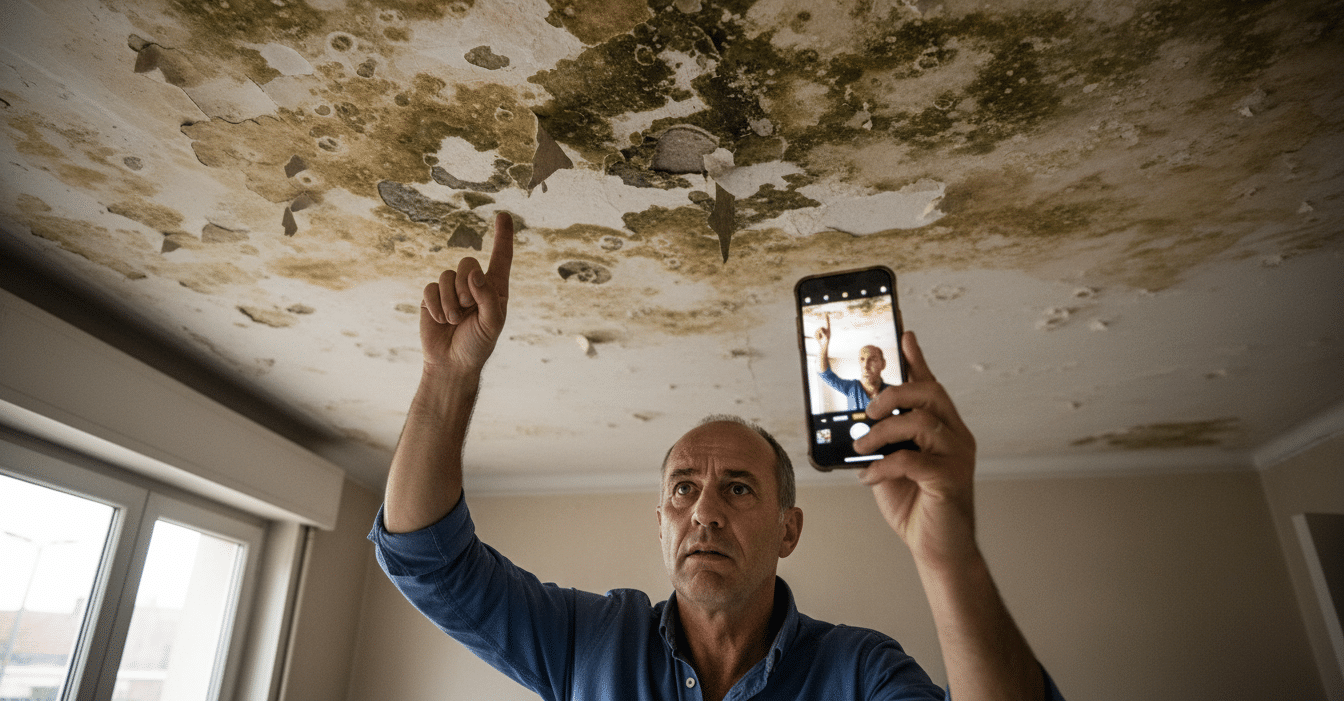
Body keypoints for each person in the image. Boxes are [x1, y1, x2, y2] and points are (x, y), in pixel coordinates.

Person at [370, 212, 1065, 701]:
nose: (702, 509)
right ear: (662, 523)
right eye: (682, 490)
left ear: (787, 529)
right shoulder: (588, 641)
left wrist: (949, 553)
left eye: (737, 489)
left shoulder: (858, 671)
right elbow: (426, 559)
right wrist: (446, 380)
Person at [815, 312, 889, 410]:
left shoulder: (894, 392)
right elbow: (825, 374)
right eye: (862, 360)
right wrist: (824, 345)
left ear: (883, 364)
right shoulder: (851, 388)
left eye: (872, 360)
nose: (865, 366)